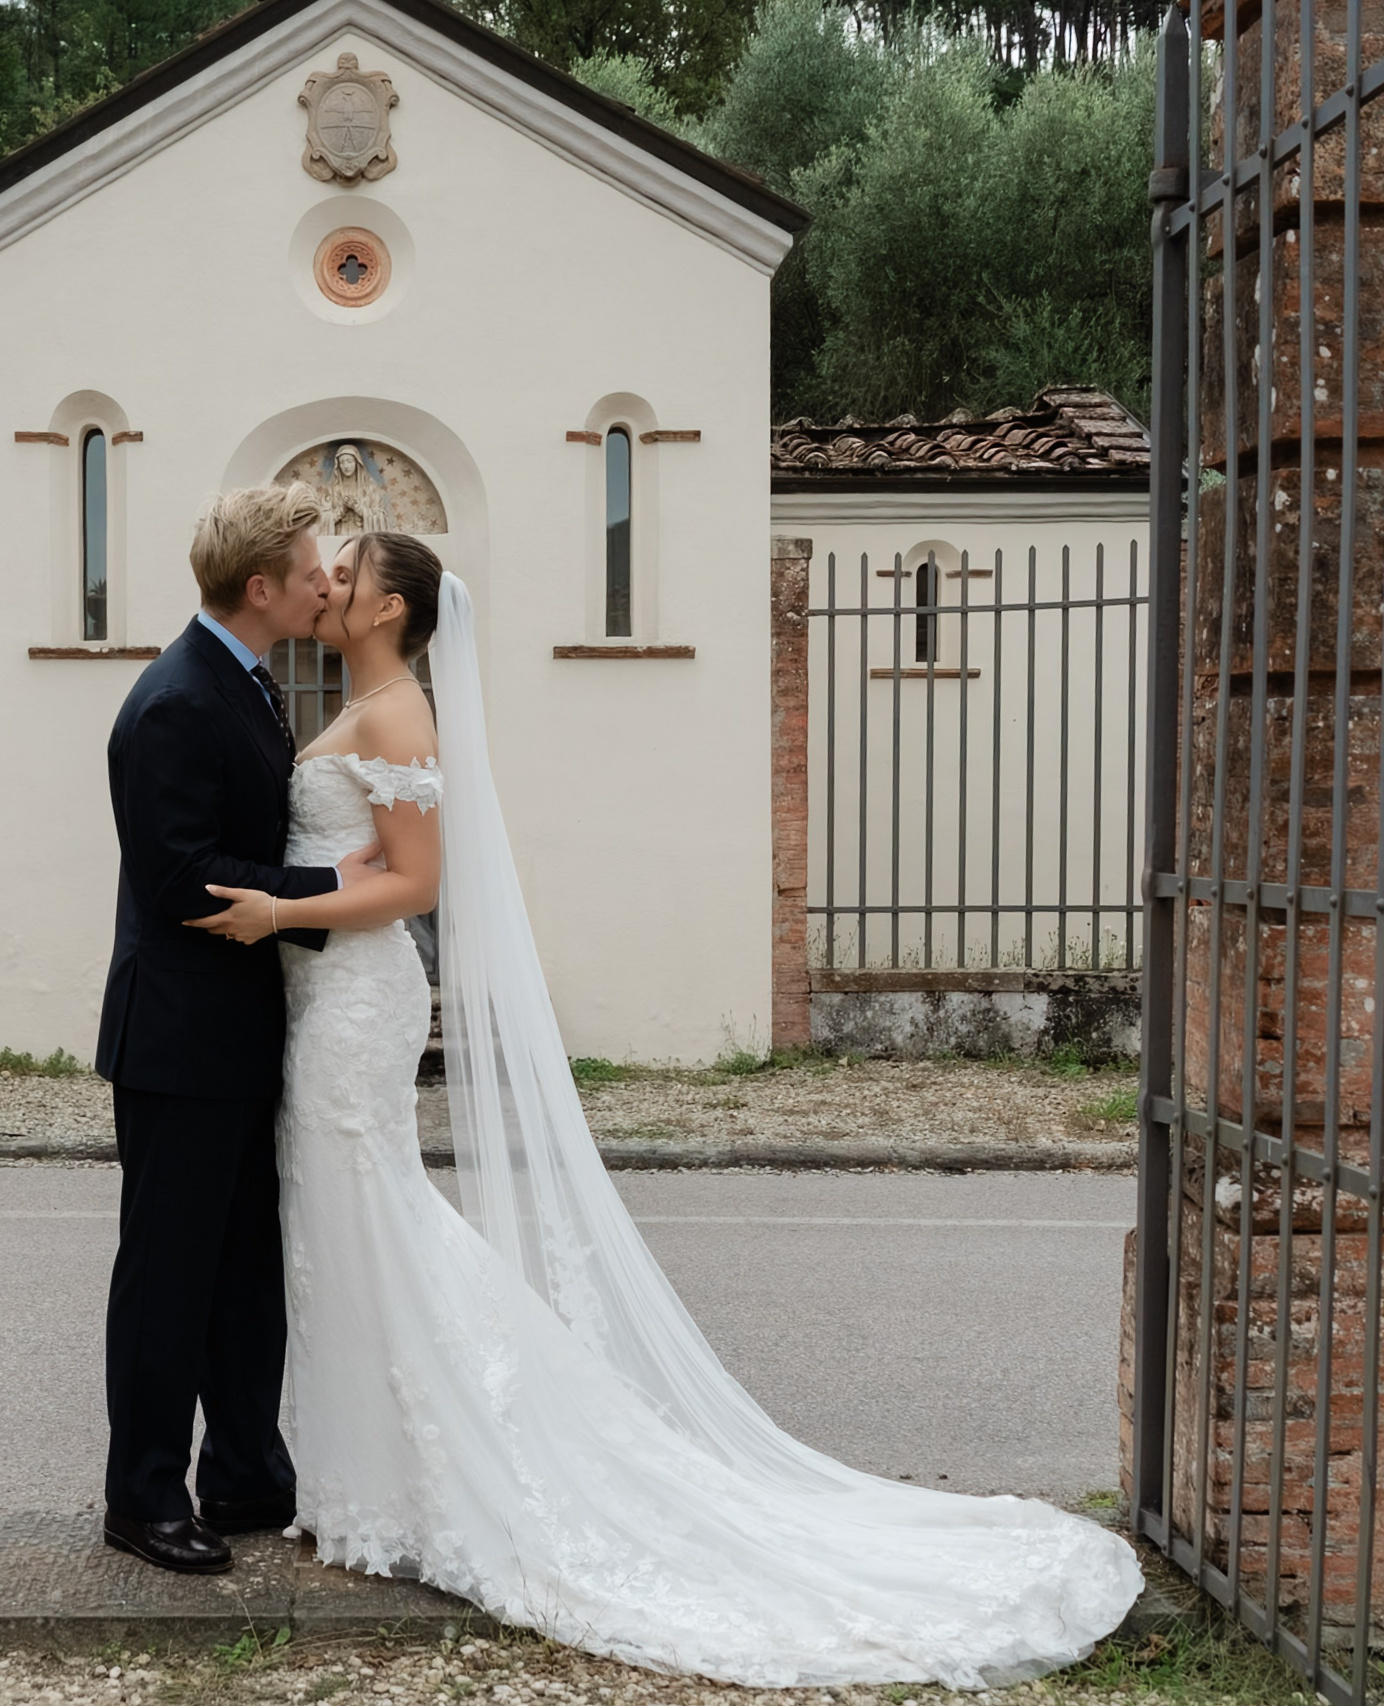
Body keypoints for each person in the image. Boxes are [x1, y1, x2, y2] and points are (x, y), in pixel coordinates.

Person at [186, 532, 1144, 1687]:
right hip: (323, 991)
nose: (325, 580)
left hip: (351, 995)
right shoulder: (364, 698)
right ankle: (371, 1478)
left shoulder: (395, 713)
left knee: (368, 1212)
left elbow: (418, 883)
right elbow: (354, 858)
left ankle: (441, 1470)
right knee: (341, 1225)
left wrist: (275, 914)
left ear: (388, 603)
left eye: (344, 569)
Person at [93, 482, 380, 1575]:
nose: (324, 582)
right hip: (177, 1040)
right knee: (169, 1272)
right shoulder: (174, 700)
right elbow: (178, 877)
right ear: (259, 586)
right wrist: (322, 884)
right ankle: (143, 1492)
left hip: (240, 1030)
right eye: (310, 568)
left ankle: (247, 1470)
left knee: (244, 1266)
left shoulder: (245, 680)